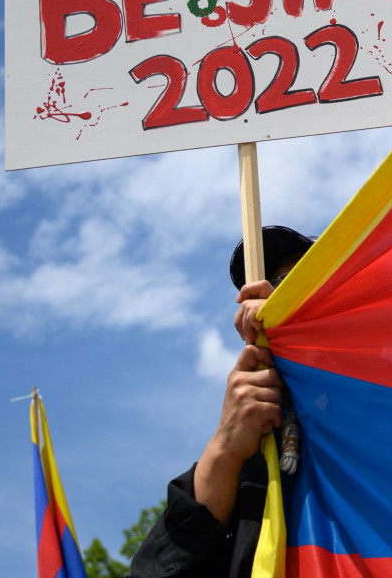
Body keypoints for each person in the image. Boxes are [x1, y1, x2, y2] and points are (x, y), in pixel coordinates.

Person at [130, 226, 313, 578]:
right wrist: (225, 450)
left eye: (292, 283)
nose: (266, 301)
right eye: (267, 288)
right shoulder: (248, 463)